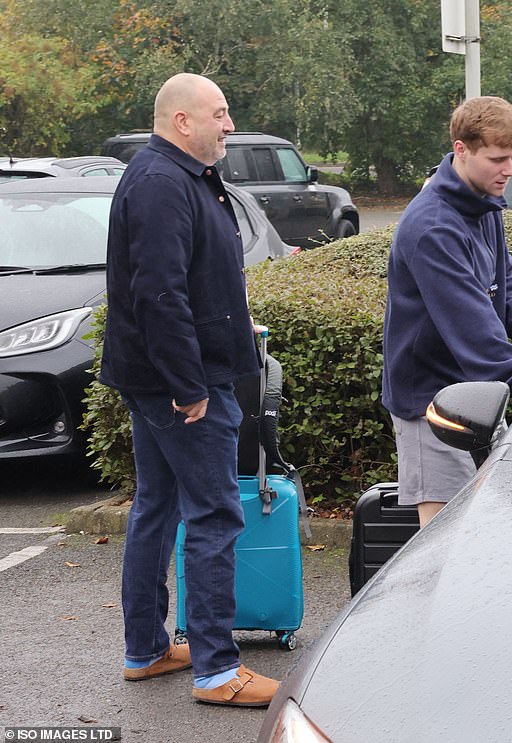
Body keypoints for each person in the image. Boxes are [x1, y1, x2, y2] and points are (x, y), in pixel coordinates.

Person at [100, 72, 279, 706]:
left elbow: (186, 282)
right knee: (214, 514)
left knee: (158, 507)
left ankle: (147, 650)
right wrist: (188, 384)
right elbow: (158, 293)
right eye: (220, 113)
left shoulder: (176, 177)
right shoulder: (161, 183)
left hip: (166, 377)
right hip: (183, 384)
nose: (229, 124)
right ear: (183, 121)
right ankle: (216, 671)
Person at [382, 96, 512, 529]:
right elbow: (469, 321)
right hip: (431, 402)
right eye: (498, 159)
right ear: (461, 149)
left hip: (479, 396)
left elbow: (499, 289)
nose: (509, 170)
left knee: (484, 532)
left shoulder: (483, 203)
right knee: (445, 546)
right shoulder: (432, 226)